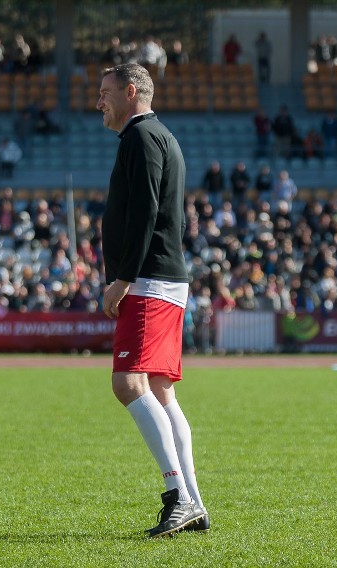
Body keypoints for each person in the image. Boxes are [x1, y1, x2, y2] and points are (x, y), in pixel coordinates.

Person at [96, 62, 207, 538]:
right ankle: (194, 501)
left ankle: (178, 496)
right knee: (161, 391)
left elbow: (144, 213)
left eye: (105, 91)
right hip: (162, 278)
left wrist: (123, 277)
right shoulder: (159, 136)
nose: (98, 100)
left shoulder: (141, 138)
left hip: (148, 281)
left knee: (128, 383)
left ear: (131, 91)